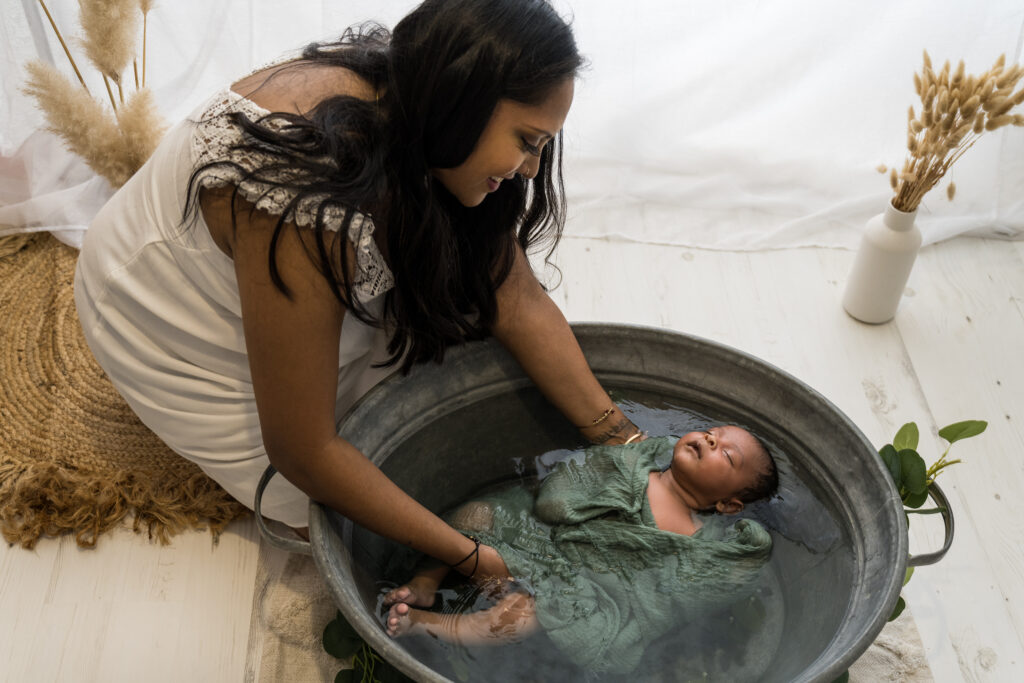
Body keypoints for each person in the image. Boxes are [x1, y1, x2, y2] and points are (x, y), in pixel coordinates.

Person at [73, 0, 642, 580]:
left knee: (446, 363)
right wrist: (473, 559)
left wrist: (628, 443)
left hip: (290, 266)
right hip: (164, 320)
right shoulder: (304, 193)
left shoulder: (419, 96)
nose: (530, 168)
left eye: (544, 144)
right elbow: (303, 451)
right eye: (527, 140)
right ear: (465, 98)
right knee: (336, 516)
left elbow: (514, 296)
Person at [382, 425, 778, 675]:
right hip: (542, 544)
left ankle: (431, 625)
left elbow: (666, 594)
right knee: (478, 515)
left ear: (728, 505)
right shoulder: (632, 464)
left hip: (581, 590)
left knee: (519, 614)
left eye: (726, 453)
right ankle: (426, 580)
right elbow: (559, 497)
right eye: (713, 432)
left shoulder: (699, 544)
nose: (711, 440)